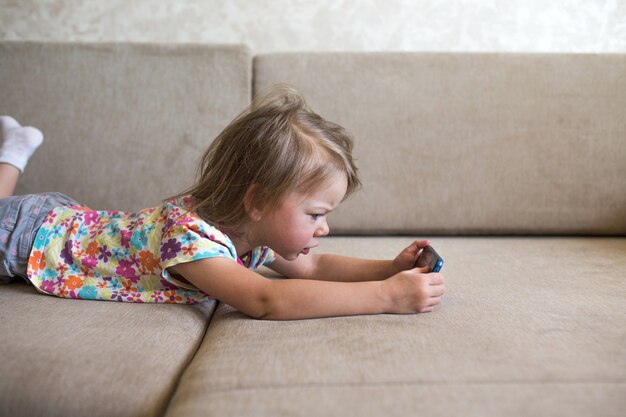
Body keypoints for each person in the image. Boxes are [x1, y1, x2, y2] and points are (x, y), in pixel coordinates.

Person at [0, 85, 445, 320]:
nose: (323, 229)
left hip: (54, 218)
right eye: (315, 215)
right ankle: (12, 155)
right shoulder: (191, 241)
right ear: (256, 200)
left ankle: (13, 153)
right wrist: (387, 296)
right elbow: (265, 300)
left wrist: (390, 269)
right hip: (24, 236)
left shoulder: (248, 229)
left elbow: (315, 268)